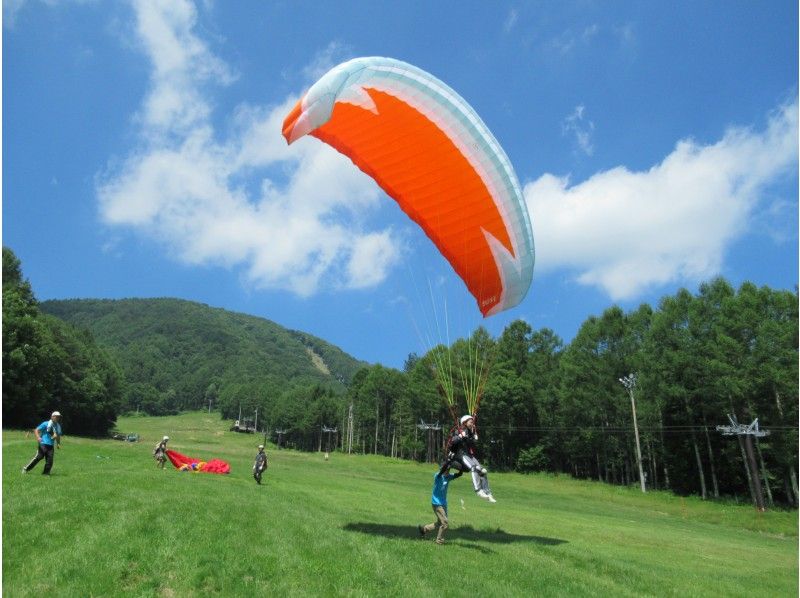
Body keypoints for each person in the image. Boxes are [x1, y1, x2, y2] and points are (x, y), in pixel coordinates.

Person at [443, 414, 495, 502]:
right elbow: (453, 441)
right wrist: (459, 436)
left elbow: (470, 443)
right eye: (470, 422)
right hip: (460, 454)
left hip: (468, 455)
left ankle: (487, 492)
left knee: (482, 471)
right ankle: (478, 490)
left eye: (472, 422)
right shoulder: (459, 430)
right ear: (465, 423)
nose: (472, 423)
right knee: (474, 468)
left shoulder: (470, 432)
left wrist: (474, 438)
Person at [419, 467, 462, 545]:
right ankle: (439, 541)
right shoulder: (438, 476)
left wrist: (461, 467)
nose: (448, 471)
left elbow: (459, 474)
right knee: (444, 523)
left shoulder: (448, 476)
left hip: (443, 503)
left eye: (449, 470)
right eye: (446, 469)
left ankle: (424, 529)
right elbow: (440, 472)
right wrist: (446, 466)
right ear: (442, 469)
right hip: (436, 503)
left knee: (440, 523)